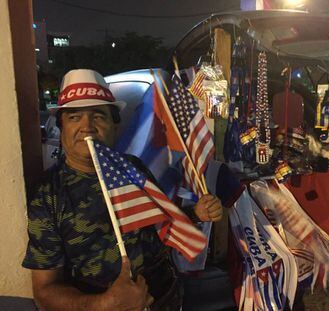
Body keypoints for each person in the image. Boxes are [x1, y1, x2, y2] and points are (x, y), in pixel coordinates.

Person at [22, 69, 223, 311]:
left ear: (114, 126)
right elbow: (44, 291)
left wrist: (195, 214)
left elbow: (160, 220)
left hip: (167, 299)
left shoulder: (133, 168)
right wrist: (104, 303)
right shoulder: (48, 194)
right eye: (74, 117)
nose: (87, 126)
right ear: (61, 127)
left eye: (98, 116)